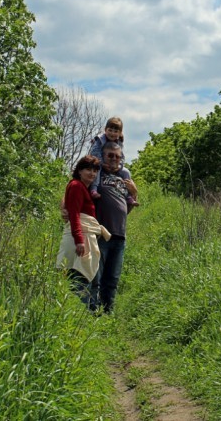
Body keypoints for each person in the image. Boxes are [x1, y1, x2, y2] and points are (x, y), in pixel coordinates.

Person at [55, 155, 111, 309]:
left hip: (85, 235)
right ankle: (84, 313)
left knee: (87, 277)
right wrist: (79, 240)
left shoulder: (83, 188)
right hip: (80, 238)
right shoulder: (76, 186)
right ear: (79, 170)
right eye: (88, 169)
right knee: (79, 277)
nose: (92, 173)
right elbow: (74, 214)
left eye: (94, 170)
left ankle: (89, 313)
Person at [91, 141, 137, 314]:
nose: (113, 159)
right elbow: (74, 186)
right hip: (101, 234)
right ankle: (91, 312)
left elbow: (128, 209)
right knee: (96, 275)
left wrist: (134, 193)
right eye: (110, 155)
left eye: (117, 156)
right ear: (102, 156)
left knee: (112, 278)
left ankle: (107, 312)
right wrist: (64, 208)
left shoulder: (124, 178)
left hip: (119, 236)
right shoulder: (96, 175)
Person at [88, 116, 140, 210]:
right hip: (98, 163)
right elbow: (94, 154)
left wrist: (119, 166)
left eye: (115, 131)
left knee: (126, 172)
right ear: (105, 129)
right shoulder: (100, 140)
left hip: (114, 168)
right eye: (110, 130)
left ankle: (128, 196)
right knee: (97, 170)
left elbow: (122, 156)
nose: (112, 133)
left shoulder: (119, 142)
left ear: (120, 133)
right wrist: (102, 163)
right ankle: (93, 189)